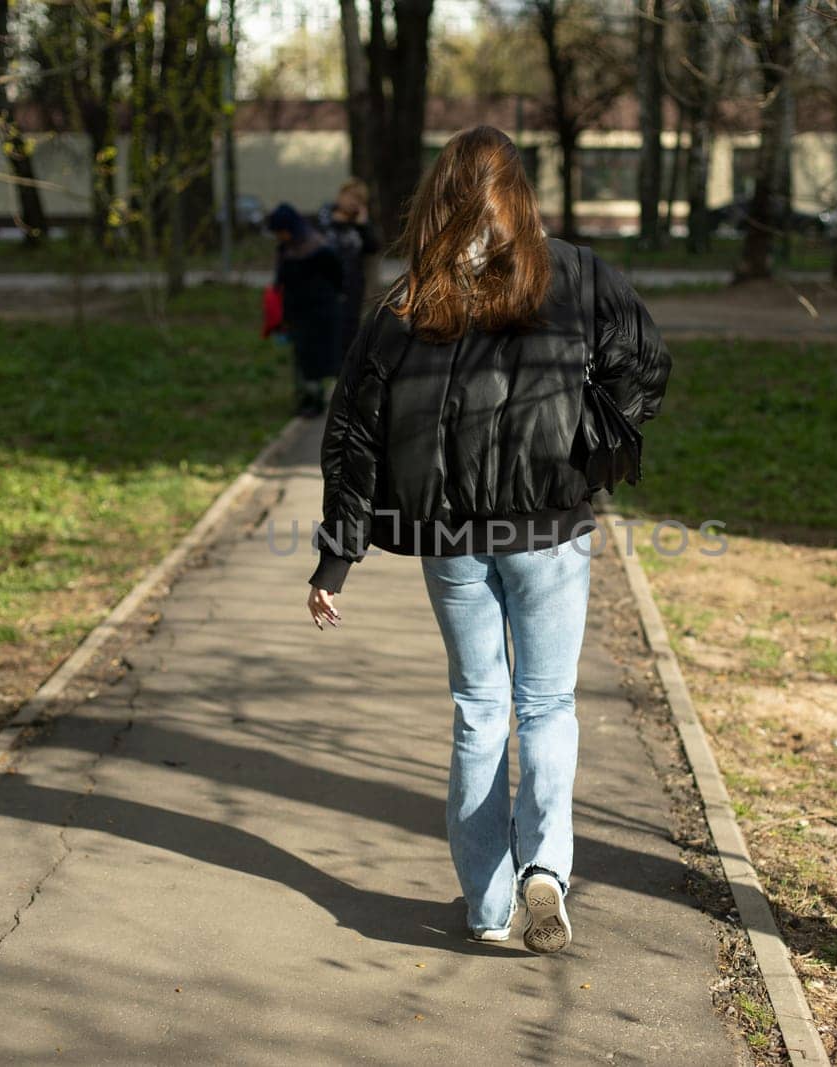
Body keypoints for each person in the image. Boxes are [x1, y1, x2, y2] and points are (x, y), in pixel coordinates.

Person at [304, 126, 671, 954]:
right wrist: (588, 447)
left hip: (454, 543)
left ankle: (489, 905)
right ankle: (546, 870)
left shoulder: (408, 301)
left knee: (479, 711)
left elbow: (353, 433)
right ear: (520, 197)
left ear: (441, 198)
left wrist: (337, 555)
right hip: (548, 532)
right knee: (548, 705)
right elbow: (645, 361)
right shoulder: (576, 274)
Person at [268, 202, 344, 417]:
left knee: (315, 358)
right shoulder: (286, 250)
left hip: (319, 312)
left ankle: (316, 399)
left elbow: (336, 277)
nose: (280, 236)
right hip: (296, 311)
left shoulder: (319, 249)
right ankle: (306, 398)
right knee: (301, 358)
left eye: (281, 231)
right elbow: (281, 280)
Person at [316, 178, 382, 357]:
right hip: (326, 283)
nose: (352, 202)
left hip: (351, 284)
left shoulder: (359, 226)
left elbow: (373, 247)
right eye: (350, 196)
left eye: (358, 200)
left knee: (348, 329)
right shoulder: (323, 219)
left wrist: (363, 225)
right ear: (340, 195)